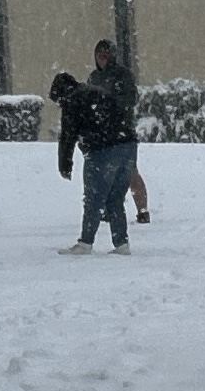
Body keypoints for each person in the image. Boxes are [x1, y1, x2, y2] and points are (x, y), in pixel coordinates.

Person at [49, 67, 137, 253]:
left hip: (103, 149)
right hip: (128, 145)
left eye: (58, 102)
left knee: (94, 198)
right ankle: (121, 243)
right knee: (115, 198)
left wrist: (65, 164)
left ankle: (85, 243)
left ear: (61, 94)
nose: (59, 106)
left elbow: (68, 135)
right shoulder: (94, 91)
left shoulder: (72, 100)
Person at [87, 36, 150, 221]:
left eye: (106, 55)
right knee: (106, 174)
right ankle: (110, 209)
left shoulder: (123, 75)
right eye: (99, 55)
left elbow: (130, 100)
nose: (102, 58)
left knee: (129, 172)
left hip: (122, 132)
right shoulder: (94, 77)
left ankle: (142, 210)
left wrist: (110, 104)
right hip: (102, 134)